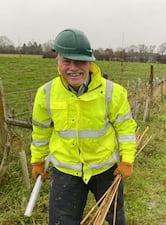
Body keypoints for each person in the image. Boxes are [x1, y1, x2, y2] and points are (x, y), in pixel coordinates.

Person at [30, 28, 137, 225]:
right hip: (66, 171)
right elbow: (40, 133)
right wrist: (37, 160)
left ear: (90, 63)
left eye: (79, 61)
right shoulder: (45, 94)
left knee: (114, 218)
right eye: (66, 61)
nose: (73, 68)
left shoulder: (113, 92)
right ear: (58, 62)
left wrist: (127, 160)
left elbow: (126, 130)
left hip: (105, 169)